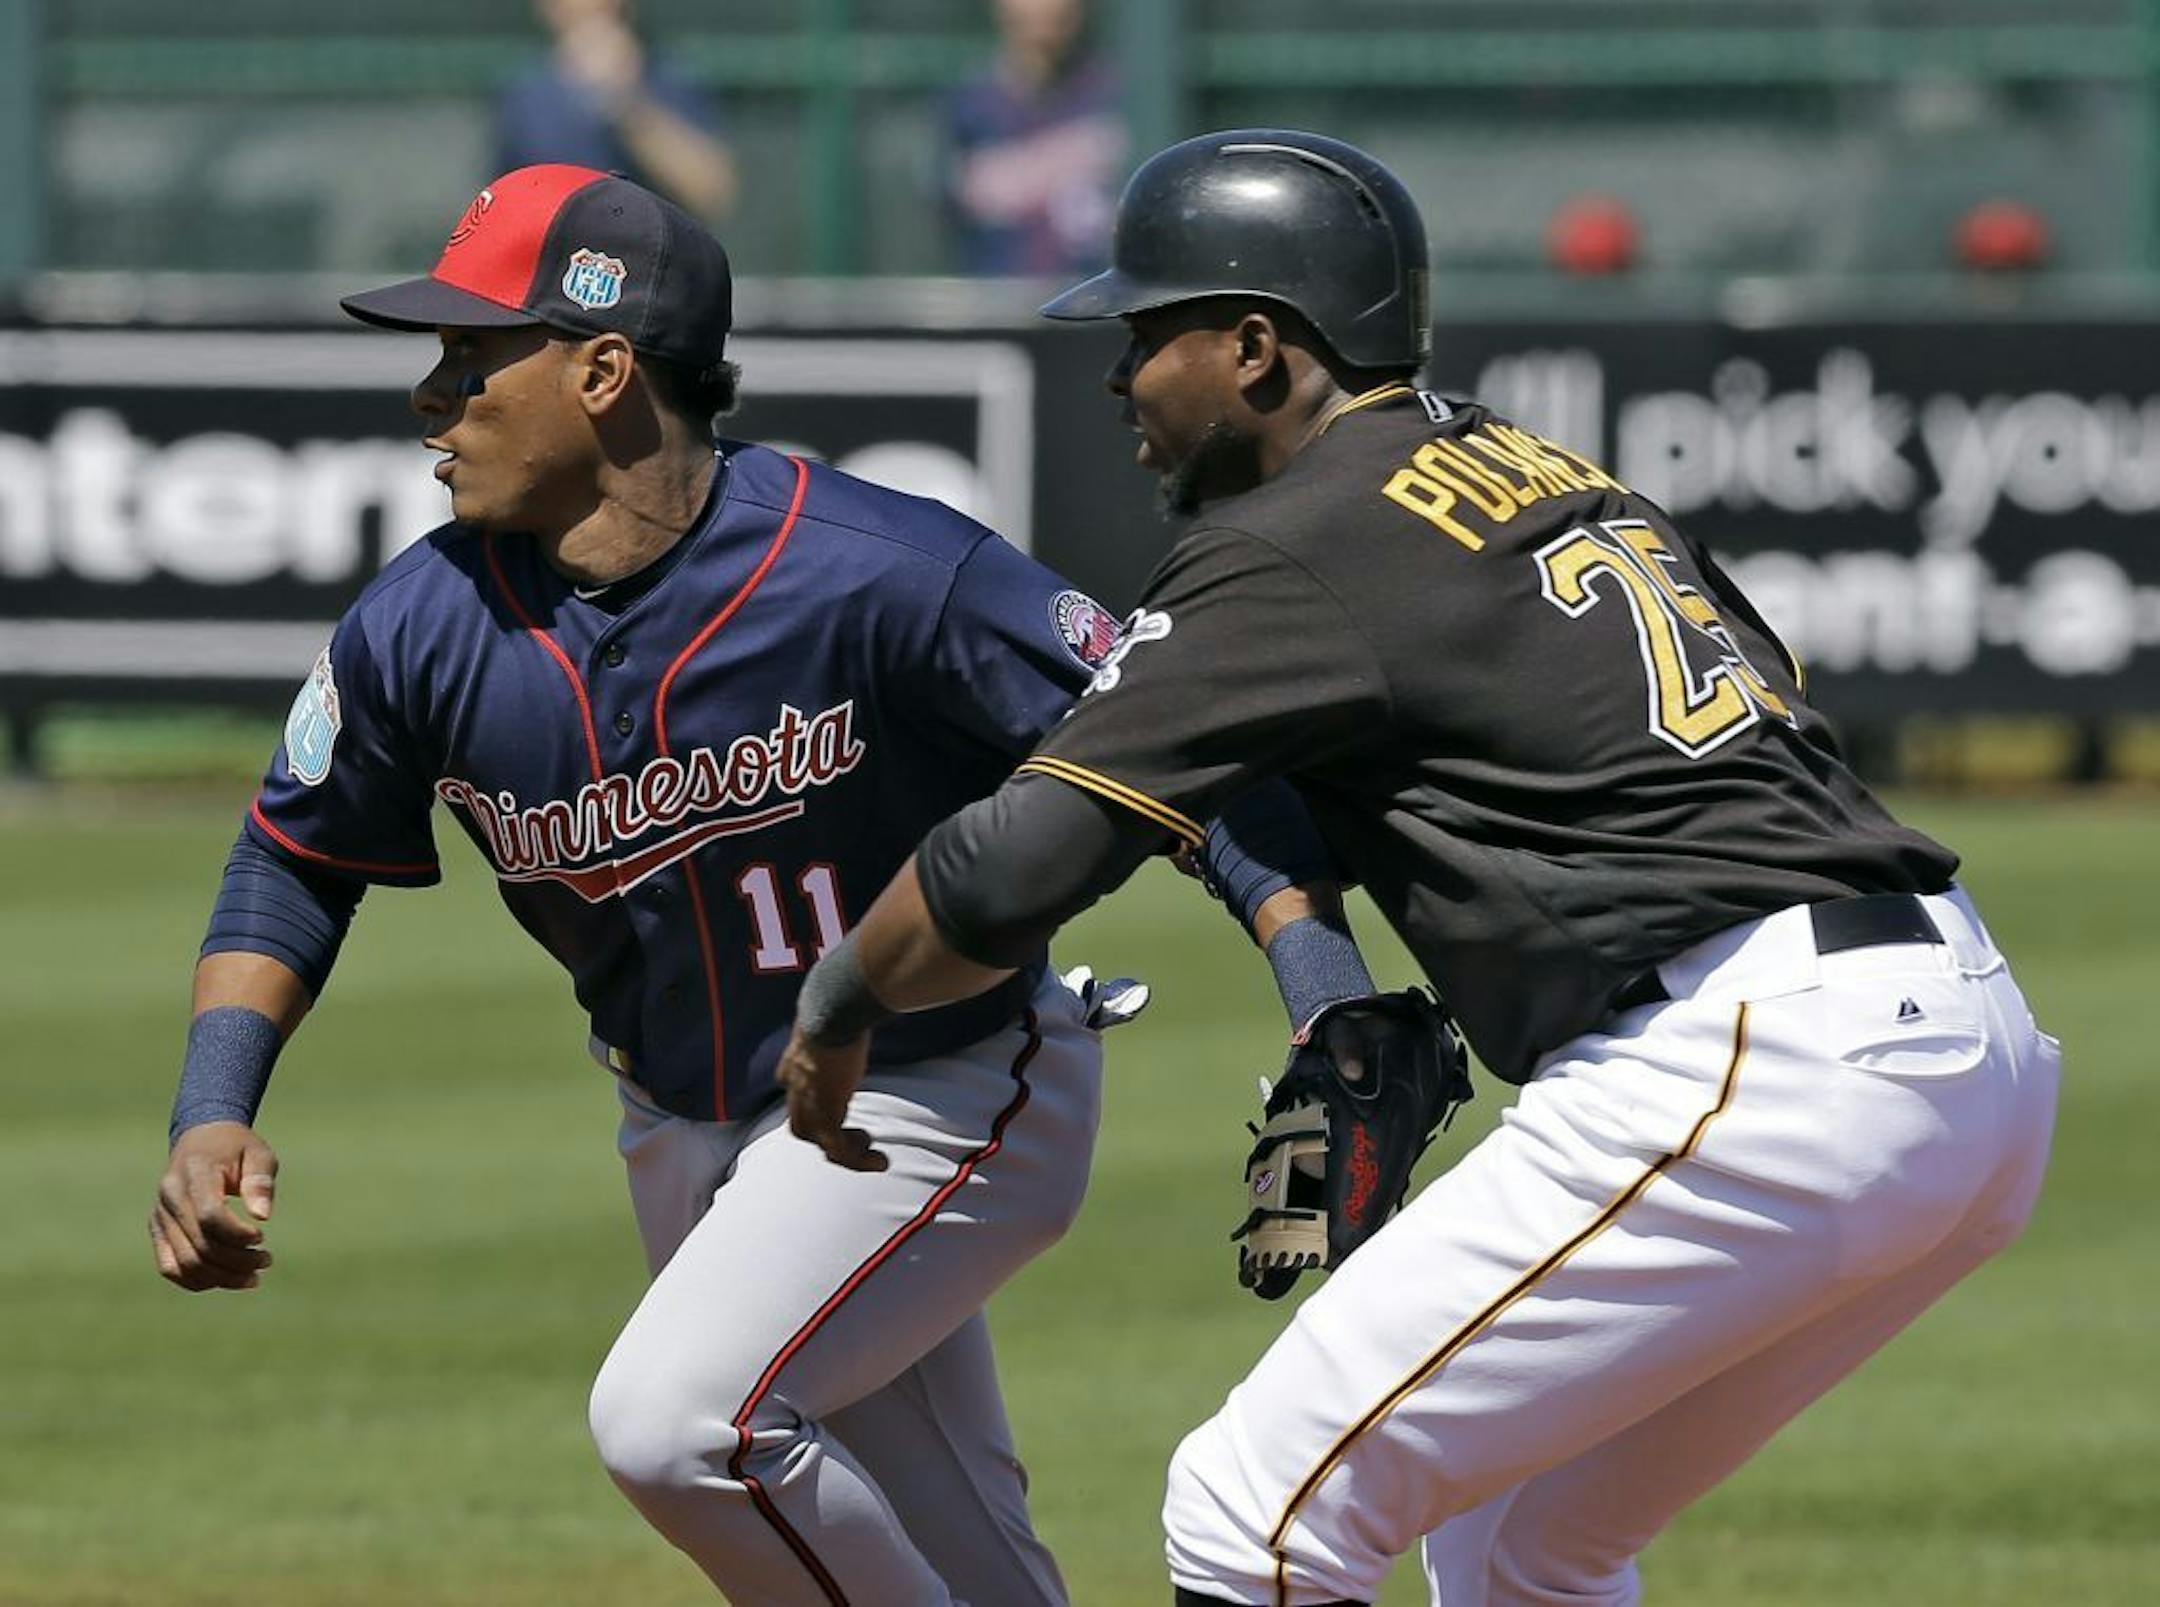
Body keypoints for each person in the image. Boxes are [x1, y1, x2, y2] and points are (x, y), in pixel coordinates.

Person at [777, 129, 2063, 1606]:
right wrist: (1327, 980)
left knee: (1248, 1510)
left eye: (1148, 332)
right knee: (1526, 1544)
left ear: (1257, 347)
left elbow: (1015, 867)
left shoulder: (1295, 538)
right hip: (1962, 1048)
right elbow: (1757, 681)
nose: (1119, 375)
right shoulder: (1537, 466)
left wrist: (838, 996)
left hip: (1754, 1060)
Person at [144, 161, 1359, 1606]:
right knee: (964, 1548)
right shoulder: (423, 623)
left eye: (473, 354)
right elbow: (294, 852)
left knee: (676, 1427)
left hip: (944, 1083)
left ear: (602, 370)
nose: (431, 395)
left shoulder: (882, 569)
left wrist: (1323, 995)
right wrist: (215, 1105)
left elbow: (1186, 744)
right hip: (681, 1123)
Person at [495, 0, 737, 221]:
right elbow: (502, 208)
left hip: (650, 258)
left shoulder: (667, 77)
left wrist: (626, 104)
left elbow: (711, 192)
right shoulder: (526, 93)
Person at [943, 0, 1123, 276]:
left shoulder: (1117, 95)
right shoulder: (968, 107)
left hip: (1097, 302)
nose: (1045, 8)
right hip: (995, 305)